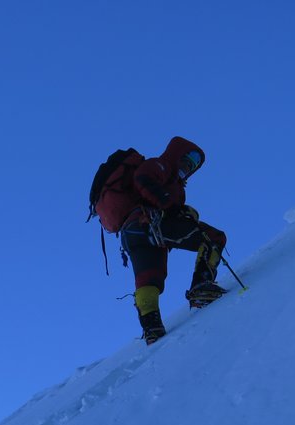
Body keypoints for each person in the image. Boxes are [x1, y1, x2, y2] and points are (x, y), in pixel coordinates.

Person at [94, 136, 227, 345]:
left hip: (133, 234)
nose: (188, 166)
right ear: (177, 153)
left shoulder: (173, 183)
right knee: (213, 238)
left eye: (193, 164)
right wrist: (170, 205)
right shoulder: (161, 164)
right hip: (149, 224)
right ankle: (201, 287)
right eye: (187, 159)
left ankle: (151, 327)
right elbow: (142, 179)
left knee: (149, 278)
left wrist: (181, 210)